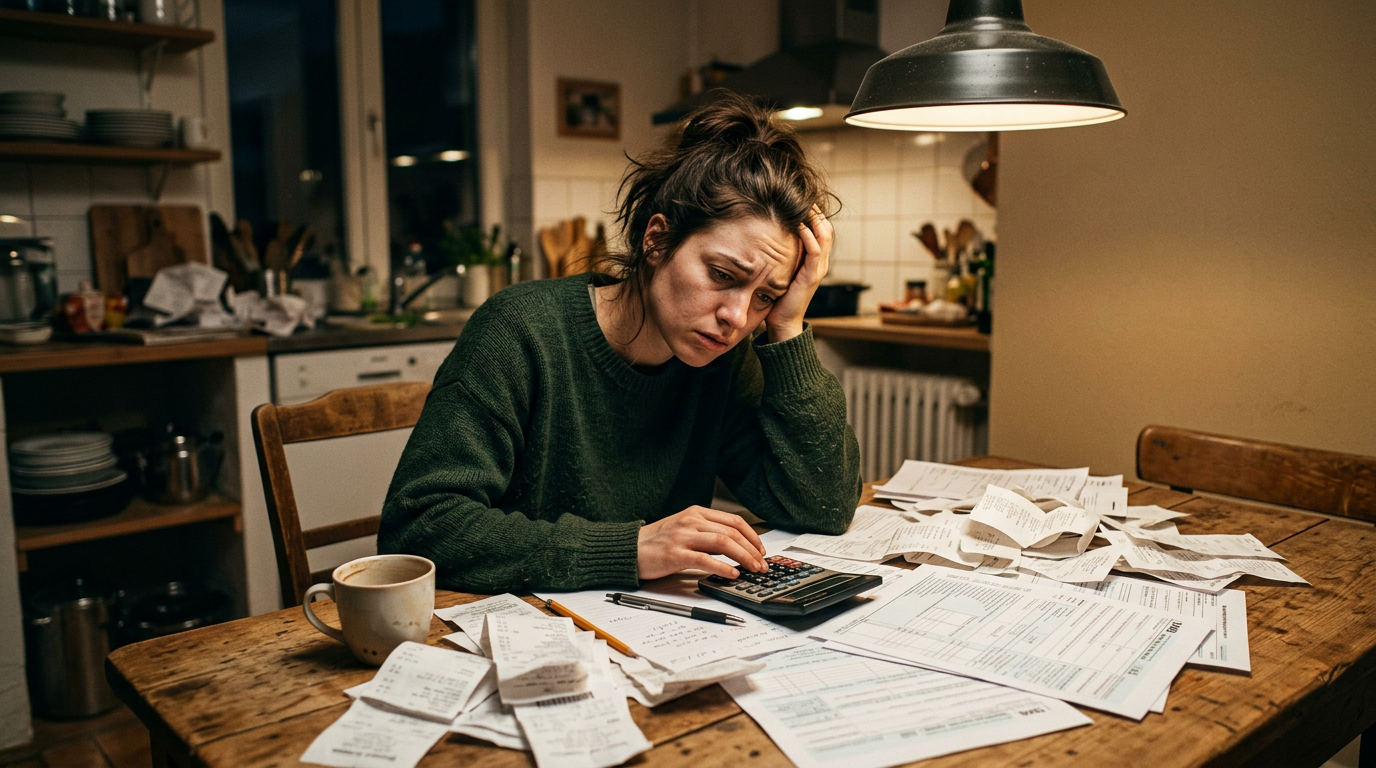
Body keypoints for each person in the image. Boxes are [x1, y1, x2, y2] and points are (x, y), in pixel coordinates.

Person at [378, 93, 861, 593]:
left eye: (764, 295)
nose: (737, 317)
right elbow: (418, 530)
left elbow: (822, 506)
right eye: (721, 275)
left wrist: (787, 325)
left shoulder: (723, 358)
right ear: (656, 240)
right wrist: (630, 548)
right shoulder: (520, 331)